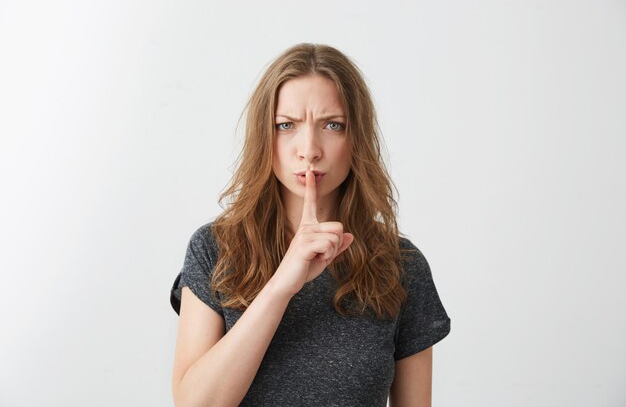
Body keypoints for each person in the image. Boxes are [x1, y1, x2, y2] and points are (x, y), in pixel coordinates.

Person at [169, 43, 451, 407]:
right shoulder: (216, 249)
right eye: (286, 125)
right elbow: (195, 404)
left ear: (356, 139)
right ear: (263, 136)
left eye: (332, 125)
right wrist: (282, 286)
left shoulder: (401, 265)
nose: (309, 149)